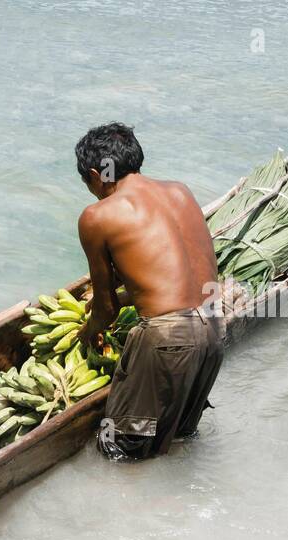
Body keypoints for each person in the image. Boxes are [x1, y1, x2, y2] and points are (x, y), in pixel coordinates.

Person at [74, 122, 224, 460]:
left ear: (98, 174)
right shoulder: (179, 192)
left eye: (89, 183)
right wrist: (129, 296)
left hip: (168, 341)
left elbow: (106, 310)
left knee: (121, 447)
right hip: (213, 329)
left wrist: (88, 332)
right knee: (180, 437)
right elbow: (179, 277)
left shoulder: (97, 216)